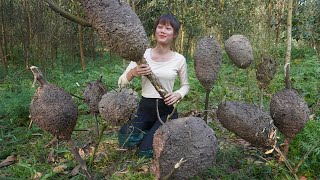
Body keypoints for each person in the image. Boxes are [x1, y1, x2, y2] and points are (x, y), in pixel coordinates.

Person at [117, 14, 189, 158]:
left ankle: (155, 132)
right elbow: (120, 83)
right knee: (125, 140)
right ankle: (152, 131)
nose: (162, 31)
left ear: (174, 34)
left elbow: (185, 86)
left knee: (146, 152)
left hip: (166, 110)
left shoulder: (179, 59)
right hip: (145, 107)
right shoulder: (142, 55)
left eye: (168, 28)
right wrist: (133, 72)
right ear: (155, 31)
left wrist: (177, 94)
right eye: (160, 27)